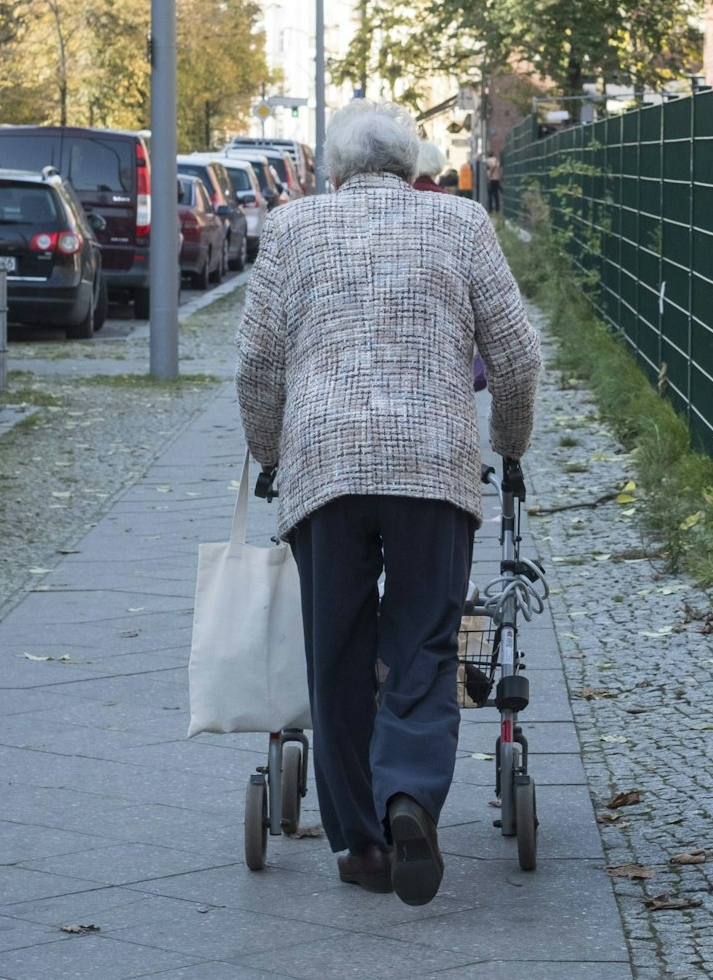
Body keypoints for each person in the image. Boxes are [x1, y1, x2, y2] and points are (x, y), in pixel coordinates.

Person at [236, 100, 542, 906]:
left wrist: (270, 452)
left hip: (324, 465)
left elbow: (257, 363)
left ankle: (363, 846)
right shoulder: (463, 224)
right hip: (434, 465)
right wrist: (510, 442)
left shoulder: (291, 228)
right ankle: (408, 792)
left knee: (335, 651)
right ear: (412, 166)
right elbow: (517, 357)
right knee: (424, 639)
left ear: (334, 171)